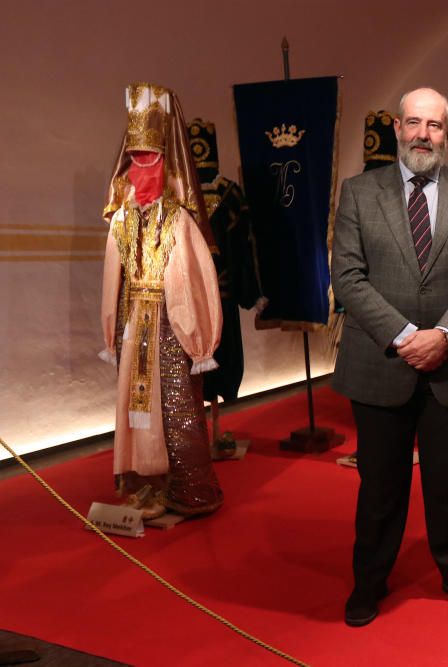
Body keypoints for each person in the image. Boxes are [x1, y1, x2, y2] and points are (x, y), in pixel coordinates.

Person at [330, 87, 448, 627]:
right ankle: (369, 583)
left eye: (433, 125)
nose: (422, 134)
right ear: (398, 129)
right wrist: (406, 335)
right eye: (413, 123)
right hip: (381, 362)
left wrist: (446, 334)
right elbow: (348, 277)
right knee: (380, 486)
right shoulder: (359, 192)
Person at [100, 82, 223, 520]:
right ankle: (142, 484)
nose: (140, 166)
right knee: (134, 406)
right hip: (133, 320)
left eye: (149, 157)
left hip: (172, 322)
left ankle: (187, 488)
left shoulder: (179, 221)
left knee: (175, 404)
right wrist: (112, 329)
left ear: (166, 160)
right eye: (134, 158)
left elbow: (197, 282)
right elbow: (112, 279)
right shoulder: (120, 220)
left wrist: (199, 341)